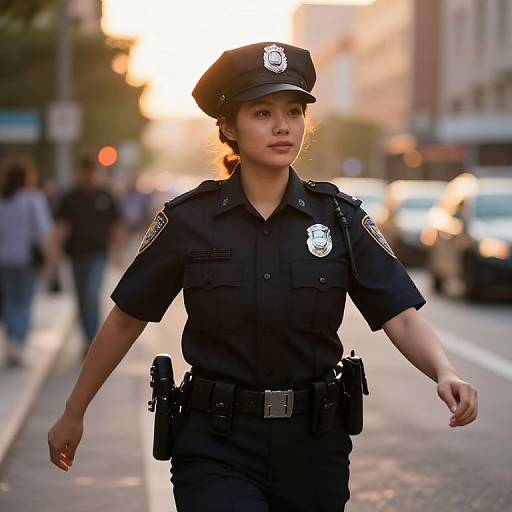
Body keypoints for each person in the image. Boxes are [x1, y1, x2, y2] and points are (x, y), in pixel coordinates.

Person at [48, 42, 478, 511]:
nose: (282, 126)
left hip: (315, 446)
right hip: (216, 442)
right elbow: (126, 319)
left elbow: (399, 313)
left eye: (294, 112)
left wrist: (444, 371)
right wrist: (75, 411)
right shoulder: (189, 220)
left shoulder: (339, 219)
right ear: (228, 127)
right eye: (262, 112)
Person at [53, 157, 124, 358]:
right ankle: (86, 338)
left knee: (91, 293)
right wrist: (55, 251)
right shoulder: (70, 197)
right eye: (86, 172)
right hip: (75, 255)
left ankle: (93, 339)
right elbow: (61, 225)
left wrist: (118, 251)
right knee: (81, 297)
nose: (90, 176)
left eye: (94, 172)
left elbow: (117, 224)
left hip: (98, 254)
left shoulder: (106, 196)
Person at [0, 158, 54, 367]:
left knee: (9, 301)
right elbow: (42, 231)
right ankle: (18, 344)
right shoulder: (33, 199)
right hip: (26, 259)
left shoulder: (4, 200)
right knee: (23, 302)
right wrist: (50, 256)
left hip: (4, 259)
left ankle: (12, 341)